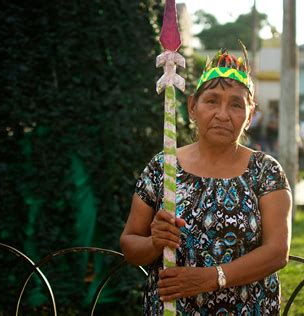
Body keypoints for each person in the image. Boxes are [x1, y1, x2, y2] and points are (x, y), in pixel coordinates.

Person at [120, 44, 292, 315]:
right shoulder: (163, 167)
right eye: (212, 101)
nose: (222, 115)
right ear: (192, 106)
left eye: (236, 105)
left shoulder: (265, 172)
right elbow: (130, 245)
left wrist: (210, 278)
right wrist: (155, 242)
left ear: (249, 116)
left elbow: (277, 251)